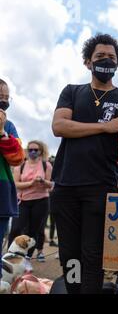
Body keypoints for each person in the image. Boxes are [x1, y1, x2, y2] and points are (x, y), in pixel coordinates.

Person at [50, 33, 118, 294]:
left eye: (112, 57)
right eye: (100, 57)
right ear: (88, 62)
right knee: (69, 253)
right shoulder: (72, 91)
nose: (106, 61)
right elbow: (59, 126)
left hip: (100, 185)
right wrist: (104, 127)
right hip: (65, 184)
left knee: (93, 253)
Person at [8, 141, 53, 262]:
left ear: (40, 151)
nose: (33, 152)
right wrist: (31, 183)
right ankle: (10, 255)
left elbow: (51, 185)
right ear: (27, 150)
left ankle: (26, 258)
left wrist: (43, 181)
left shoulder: (46, 165)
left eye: (36, 150)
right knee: (16, 229)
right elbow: (15, 184)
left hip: (41, 201)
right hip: (23, 201)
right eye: (30, 149)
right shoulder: (20, 165)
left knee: (34, 231)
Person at [0, 88, 25, 292]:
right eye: (0, 96)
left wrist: (1, 132)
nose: (4, 101)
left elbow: (17, 157)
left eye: (7, 98)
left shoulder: (9, 126)